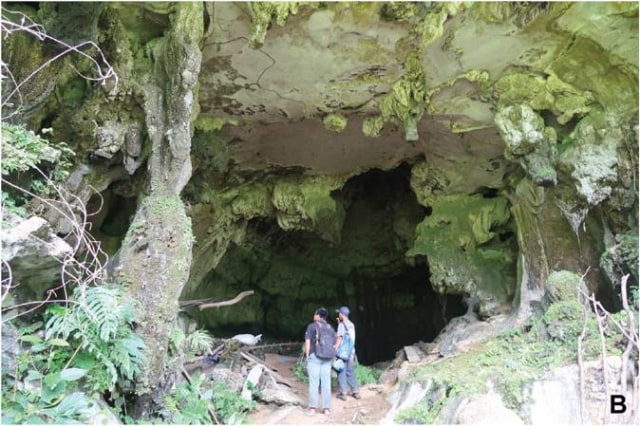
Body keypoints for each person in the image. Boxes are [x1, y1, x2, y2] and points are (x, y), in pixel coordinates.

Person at [304, 307, 334, 415]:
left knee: (314, 382)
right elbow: (333, 344)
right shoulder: (330, 328)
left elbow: (307, 342)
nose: (313, 316)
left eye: (314, 314)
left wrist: (307, 356)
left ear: (317, 315)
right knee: (326, 382)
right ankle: (326, 409)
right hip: (327, 358)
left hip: (315, 357)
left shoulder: (312, 326)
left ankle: (312, 408)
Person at [335, 306, 360, 400]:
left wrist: (335, 348)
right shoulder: (351, 324)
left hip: (342, 352)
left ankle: (343, 393)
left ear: (342, 314)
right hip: (351, 352)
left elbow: (340, 338)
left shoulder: (341, 325)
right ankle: (355, 391)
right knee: (350, 371)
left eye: (339, 313)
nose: (338, 315)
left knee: (341, 371)